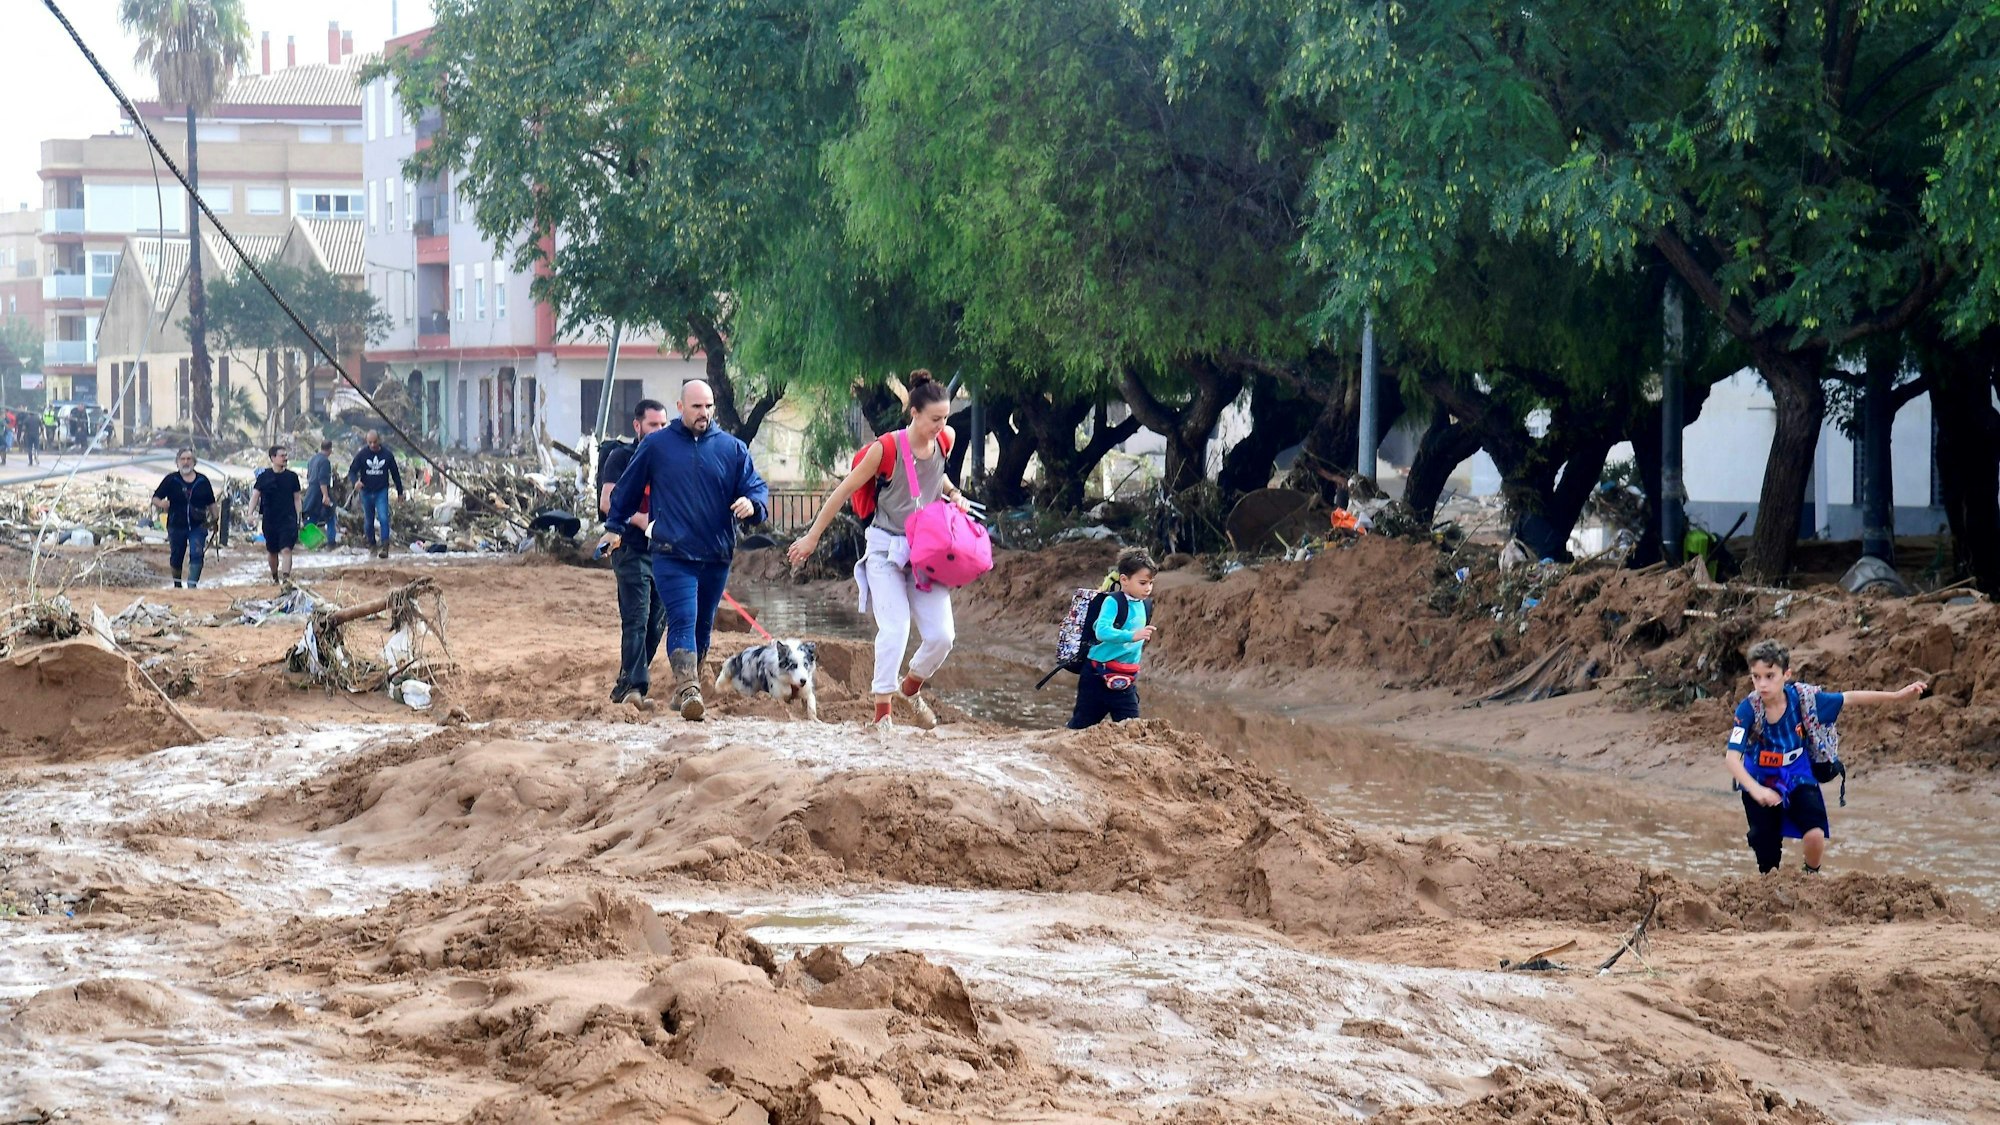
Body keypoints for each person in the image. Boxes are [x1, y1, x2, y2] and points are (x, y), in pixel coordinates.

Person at [787, 371, 973, 730]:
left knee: (942, 637)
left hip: (927, 554)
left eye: (945, 418)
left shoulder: (945, 440)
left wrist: (953, 494)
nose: (942, 425)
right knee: (896, 629)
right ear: (914, 413)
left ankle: (911, 687)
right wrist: (811, 539)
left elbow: (936, 476)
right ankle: (882, 716)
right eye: (935, 419)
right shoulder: (885, 449)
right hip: (886, 550)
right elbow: (841, 492)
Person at [605, 380, 769, 721]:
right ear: (681, 407)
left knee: (703, 625)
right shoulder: (657, 446)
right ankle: (689, 688)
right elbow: (628, 489)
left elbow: (756, 488)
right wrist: (614, 527)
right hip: (671, 552)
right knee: (682, 617)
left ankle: (686, 687)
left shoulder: (732, 449)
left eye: (709, 407)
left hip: (715, 554)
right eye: (697, 407)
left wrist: (752, 505)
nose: (704, 413)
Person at [1727, 639, 1926, 874]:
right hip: (1758, 776)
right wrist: (1755, 789)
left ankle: (1810, 880)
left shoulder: (1806, 700)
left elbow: (1849, 698)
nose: (1762, 684)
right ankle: (1768, 886)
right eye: (1756, 677)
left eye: (1770, 676)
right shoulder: (1747, 709)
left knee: (1815, 834)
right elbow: (1732, 758)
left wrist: (1896, 696)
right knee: (1766, 851)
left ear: (1786, 674)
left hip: (1796, 773)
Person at [597, 398, 670, 708]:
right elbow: (607, 502)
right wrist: (644, 522)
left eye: (664, 425)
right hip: (629, 548)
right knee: (636, 618)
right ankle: (636, 688)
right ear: (637, 426)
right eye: (653, 425)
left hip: (663, 552)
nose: (659, 430)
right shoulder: (620, 457)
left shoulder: (668, 458)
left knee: (657, 622)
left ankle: (627, 682)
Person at [1067, 553, 1159, 729]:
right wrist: (1131, 636)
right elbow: (1102, 631)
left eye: (1151, 583)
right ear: (1124, 580)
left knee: (1132, 728)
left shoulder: (1145, 604)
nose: (1148, 588)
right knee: (1081, 726)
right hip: (1096, 677)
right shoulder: (1113, 601)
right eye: (1143, 583)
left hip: (1126, 679)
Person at [151, 449, 216, 588]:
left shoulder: (203, 481)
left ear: (194, 462)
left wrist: (215, 520)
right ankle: (177, 584)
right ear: (177, 462)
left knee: (197, 553)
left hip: (198, 525)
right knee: (176, 557)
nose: (186, 462)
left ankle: (192, 586)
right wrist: (161, 504)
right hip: (176, 525)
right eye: (183, 459)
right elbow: (155, 498)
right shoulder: (171, 480)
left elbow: (212, 503)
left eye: (189, 459)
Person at [347, 430, 405, 558]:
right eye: (370, 442)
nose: (372, 445)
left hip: (381, 491)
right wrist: (355, 481)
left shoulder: (387, 455)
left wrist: (400, 492)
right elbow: (351, 471)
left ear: (379, 440)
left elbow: (395, 474)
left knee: (384, 518)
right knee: (368, 521)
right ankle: (372, 545)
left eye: (375, 442)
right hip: (366, 492)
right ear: (367, 442)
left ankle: (385, 546)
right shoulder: (362, 454)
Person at [254, 444, 304, 585]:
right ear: (273, 458)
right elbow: (255, 496)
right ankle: (275, 577)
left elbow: (297, 498)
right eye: (282, 456)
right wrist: (250, 513)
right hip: (270, 520)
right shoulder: (264, 477)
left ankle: (286, 579)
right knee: (272, 551)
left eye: (285, 455)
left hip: (288, 519)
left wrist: (300, 517)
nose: (285, 458)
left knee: (287, 549)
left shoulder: (292, 477)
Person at [305, 439, 337, 548]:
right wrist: (325, 495)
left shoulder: (312, 459)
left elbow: (308, 476)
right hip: (321, 491)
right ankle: (331, 542)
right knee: (330, 517)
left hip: (311, 491)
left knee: (311, 516)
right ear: (330, 449)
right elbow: (322, 479)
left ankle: (311, 543)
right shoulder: (325, 461)